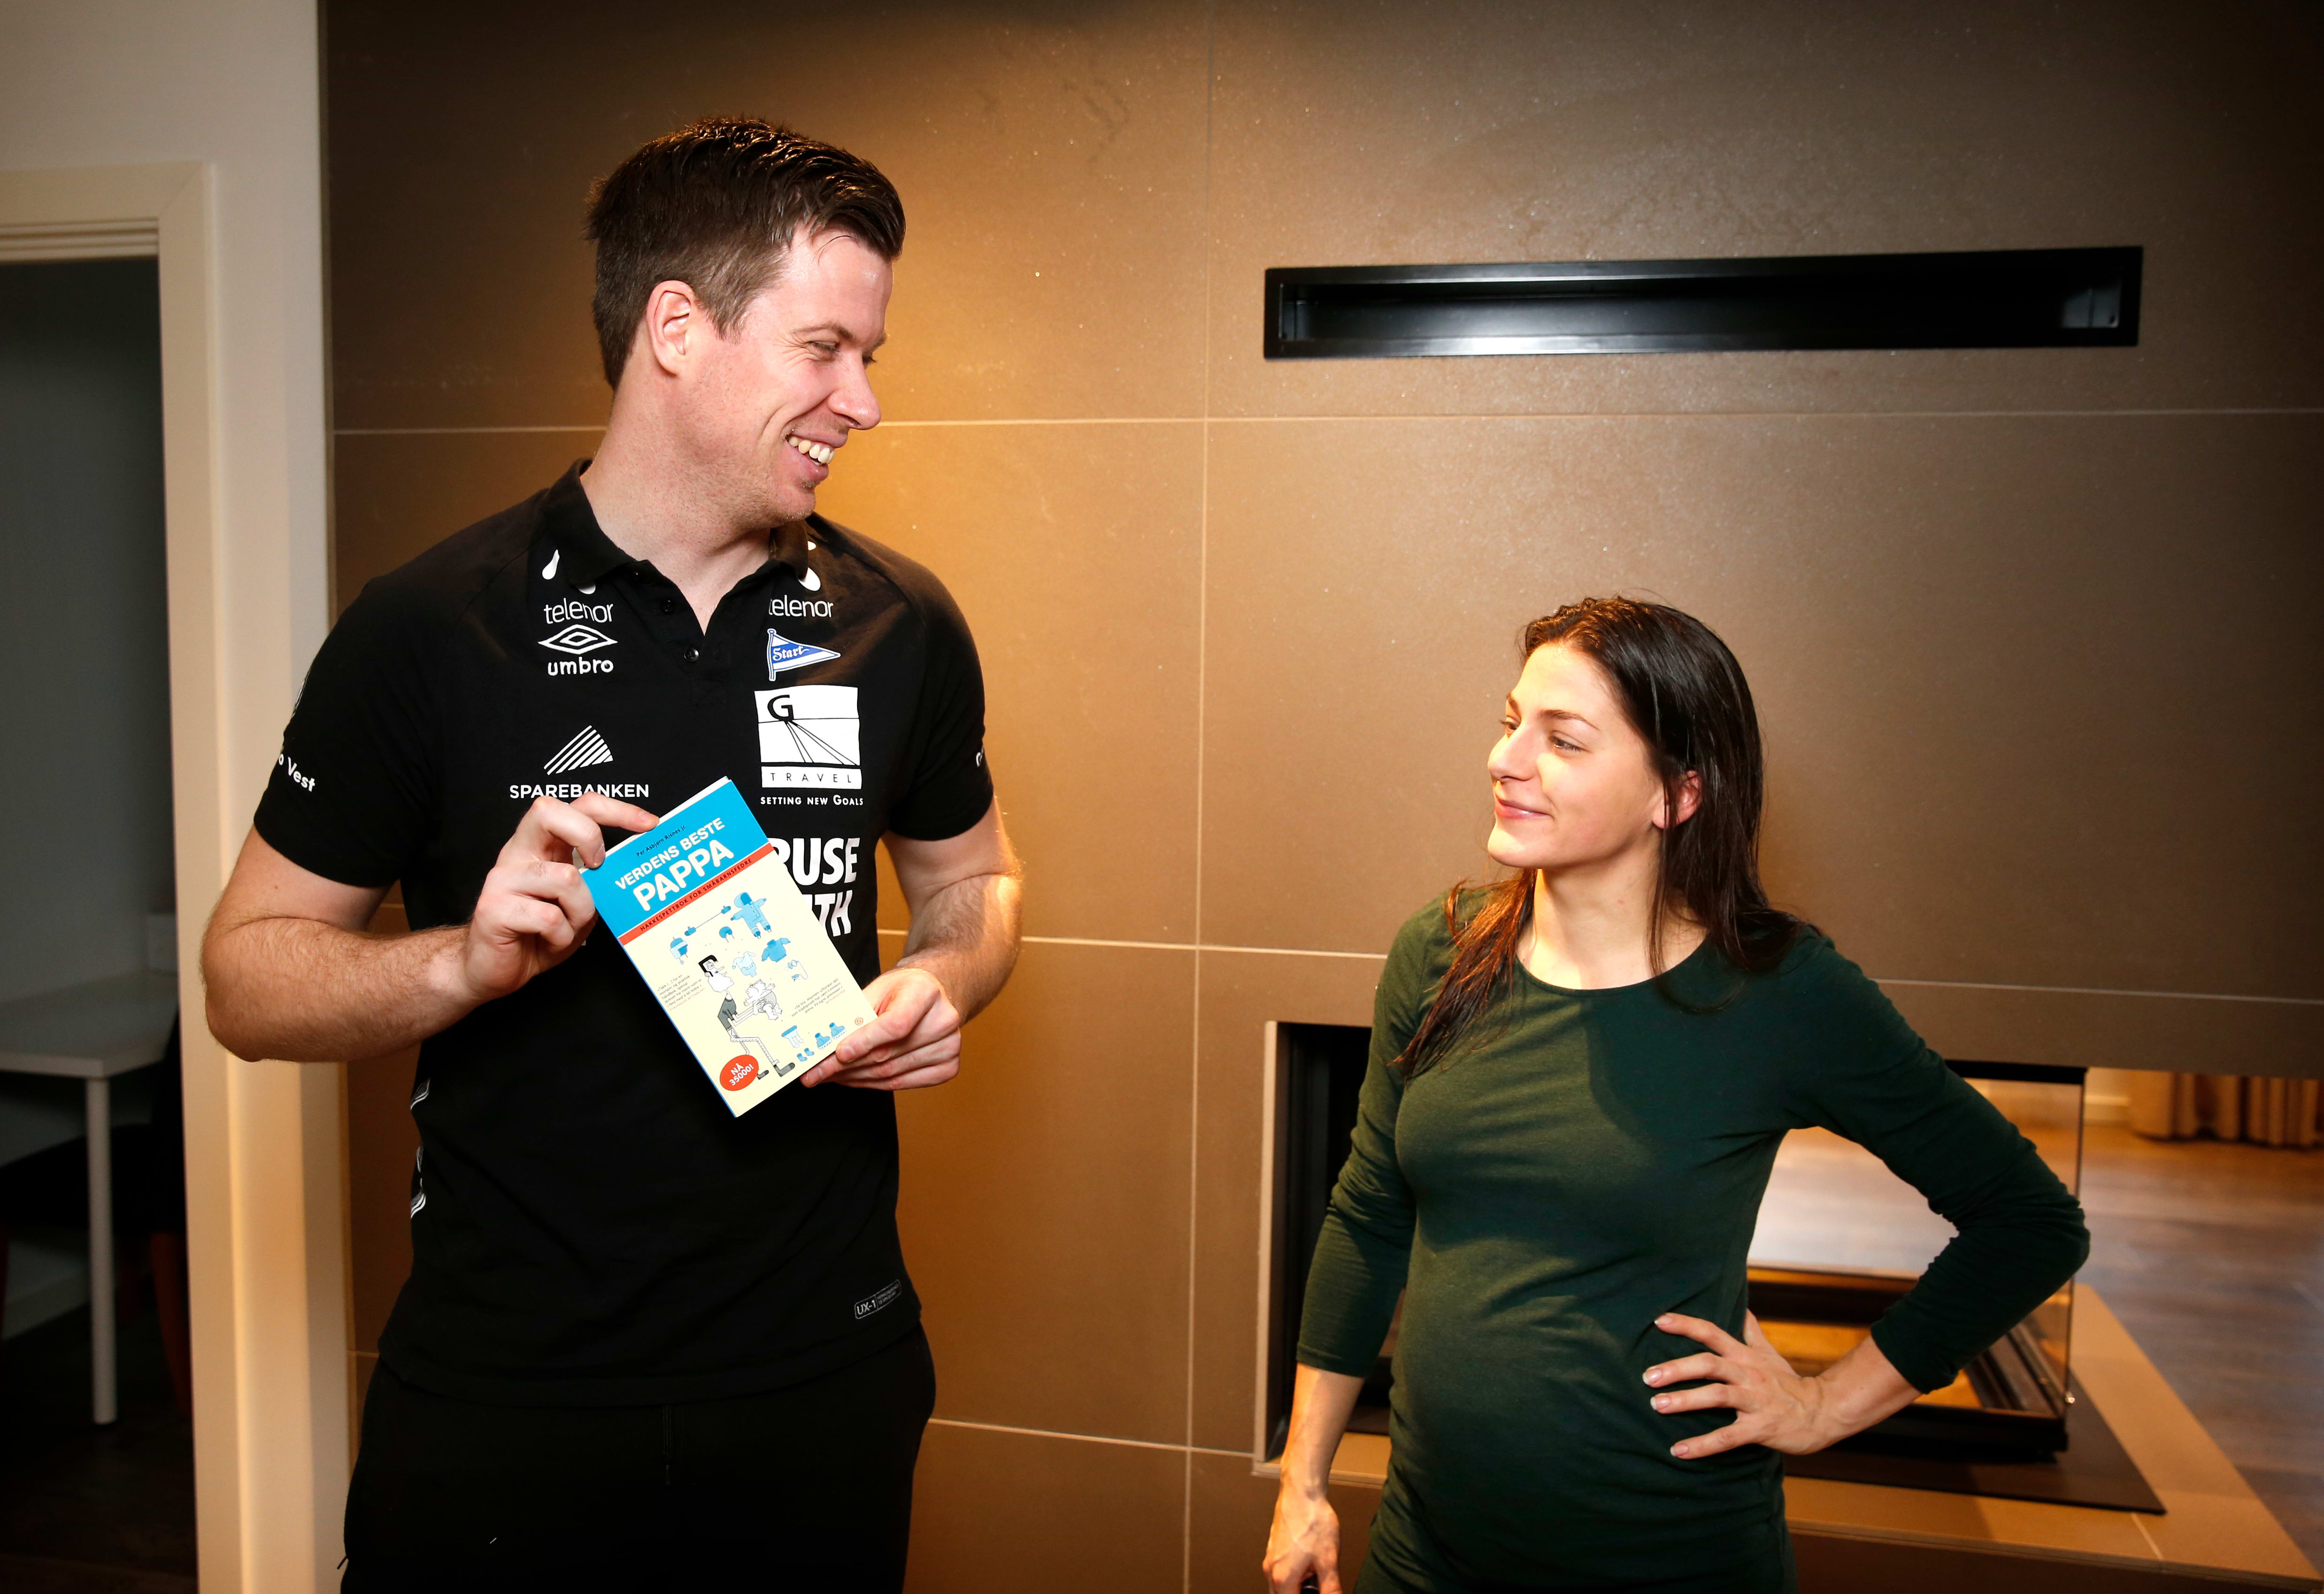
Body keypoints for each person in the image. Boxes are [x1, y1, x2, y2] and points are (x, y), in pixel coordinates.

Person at [202, 118, 1022, 1592]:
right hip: (510, 1398)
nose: (865, 401)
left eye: (869, 354)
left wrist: (943, 979)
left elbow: (975, 881)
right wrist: (459, 964)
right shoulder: (430, 625)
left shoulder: (901, 621)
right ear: (676, 328)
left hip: (820, 1378)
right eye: (826, 349)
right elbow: (243, 982)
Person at [1262, 598, 2086, 1594]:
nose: (1506, 760)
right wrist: (1303, 1481)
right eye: (1511, 722)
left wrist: (1828, 1405)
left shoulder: (1778, 992)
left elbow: (2029, 1222)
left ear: (1677, 794)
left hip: (1669, 1560)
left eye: (1563, 739)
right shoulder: (1438, 950)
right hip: (1425, 1553)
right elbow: (1368, 1214)